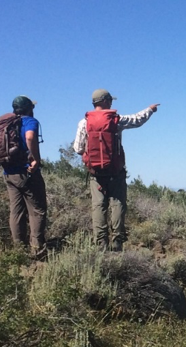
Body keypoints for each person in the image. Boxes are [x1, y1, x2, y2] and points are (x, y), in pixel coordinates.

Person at [72, 89, 158, 251]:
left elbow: (77, 148)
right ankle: (117, 242)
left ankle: (101, 243)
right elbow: (137, 120)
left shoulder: (84, 122)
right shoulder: (116, 120)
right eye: (110, 100)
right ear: (105, 101)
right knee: (118, 204)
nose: (112, 103)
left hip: (95, 174)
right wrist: (150, 110)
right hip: (116, 171)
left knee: (98, 206)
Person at [2, 95, 48, 258]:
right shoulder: (29, 121)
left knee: (16, 212)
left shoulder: (7, 124)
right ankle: (37, 250)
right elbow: (29, 136)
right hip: (26, 172)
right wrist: (36, 159)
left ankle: (18, 251)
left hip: (9, 173)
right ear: (29, 108)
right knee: (37, 210)